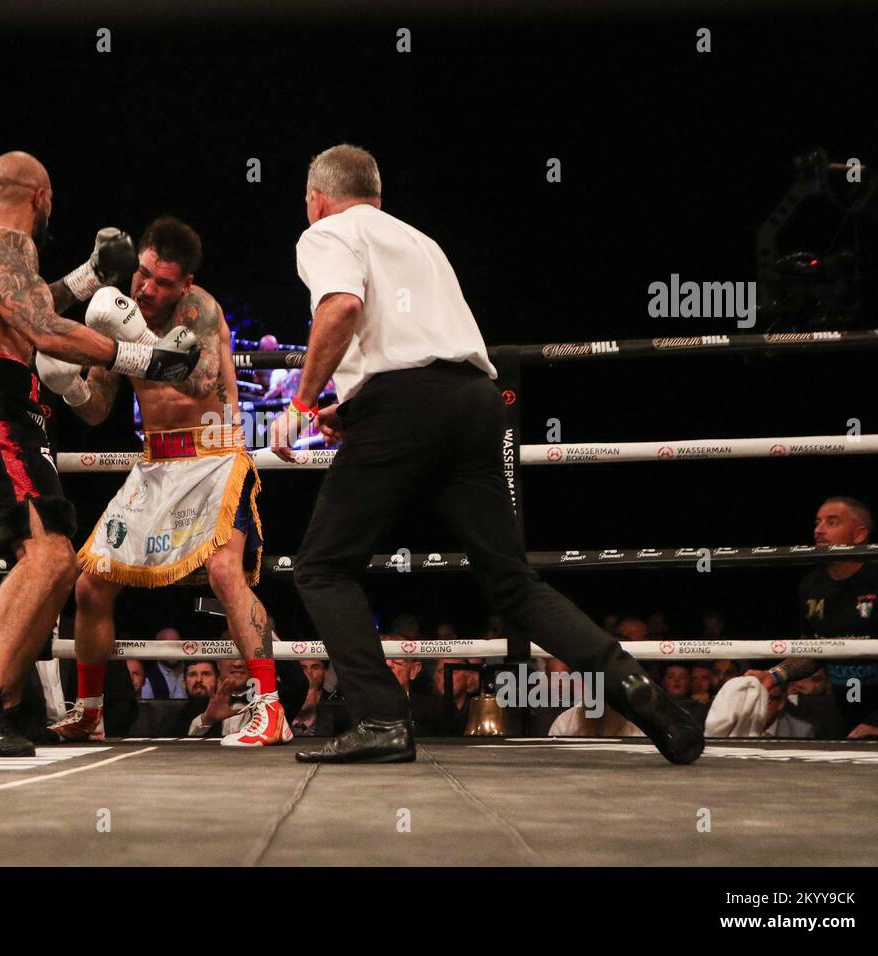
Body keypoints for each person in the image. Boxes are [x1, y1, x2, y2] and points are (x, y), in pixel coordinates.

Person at [272, 143, 703, 764]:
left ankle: (381, 719)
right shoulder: (422, 242)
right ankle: (641, 692)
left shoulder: (327, 232)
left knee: (321, 567)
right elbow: (424, 350)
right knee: (512, 583)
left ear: (317, 198)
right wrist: (352, 408)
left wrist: (304, 404)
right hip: (476, 403)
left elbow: (342, 307)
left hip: (407, 407)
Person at [0, 152, 200, 757]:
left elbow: (23, 308)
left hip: (1, 407)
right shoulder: (10, 243)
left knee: (55, 565)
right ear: (42, 197)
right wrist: (146, 359)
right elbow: (45, 330)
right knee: (48, 558)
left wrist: (88, 274)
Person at [51, 217, 288, 747]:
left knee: (227, 572)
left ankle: (271, 709)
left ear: (183, 283)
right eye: (142, 275)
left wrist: (132, 337)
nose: (147, 288)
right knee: (90, 584)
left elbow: (201, 378)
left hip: (214, 455)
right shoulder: (118, 311)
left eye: (162, 282)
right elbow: (98, 409)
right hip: (156, 464)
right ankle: (91, 712)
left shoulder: (198, 308)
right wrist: (67, 386)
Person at [746, 497, 878, 738]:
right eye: (817, 522)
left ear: (859, 534)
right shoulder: (811, 584)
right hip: (844, 708)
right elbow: (810, 650)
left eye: (832, 522)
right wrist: (774, 675)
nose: (819, 530)